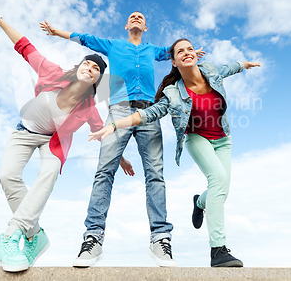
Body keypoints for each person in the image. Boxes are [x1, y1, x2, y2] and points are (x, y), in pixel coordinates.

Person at [0, 0, 134, 272]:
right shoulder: (52, 72)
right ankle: (35, 234)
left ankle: (13, 234)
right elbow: (24, 47)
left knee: (47, 173)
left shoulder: (89, 109)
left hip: (53, 143)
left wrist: (121, 159)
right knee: (7, 177)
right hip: (25, 132)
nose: (90, 68)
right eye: (87, 64)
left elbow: (102, 133)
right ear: (79, 67)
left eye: (96, 69)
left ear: (97, 79)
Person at [40, 14, 204, 267]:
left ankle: (160, 238)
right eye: (132, 17)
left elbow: (176, 52)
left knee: (155, 175)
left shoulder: (153, 50)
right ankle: (93, 238)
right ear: (127, 26)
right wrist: (56, 32)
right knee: (104, 171)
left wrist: (189, 55)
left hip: (149, 112)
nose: (136, 17)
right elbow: (84, 38)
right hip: (119, 109)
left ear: (145, 27)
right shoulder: (113, 45)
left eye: (141, 17)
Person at [89, 38, 261, 267]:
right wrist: (114, 125)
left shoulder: (210, 69)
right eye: (180, 51)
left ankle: (200, 203)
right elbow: (149, 114)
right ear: (173, 61)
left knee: (221, 189)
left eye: (190, 49)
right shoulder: (172, 91)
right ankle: (218, 250)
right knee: (218, 181)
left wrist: (245, 64)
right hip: (197, 138)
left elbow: (230, 67)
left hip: (223, 140)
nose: (187, 53)